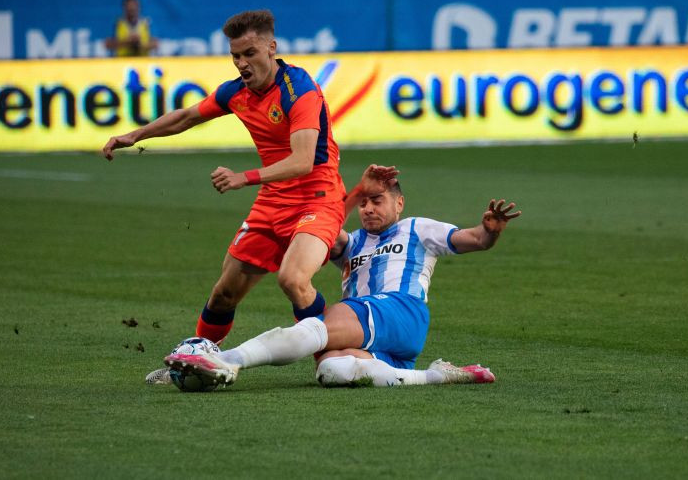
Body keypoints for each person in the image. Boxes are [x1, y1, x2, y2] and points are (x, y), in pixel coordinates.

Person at [152, 166, 520, 389]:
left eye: (377, 201)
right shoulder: (350, 242)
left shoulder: (417, 229)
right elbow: (320, 225)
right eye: (364, 203)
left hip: (401, 310)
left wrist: (490, 230)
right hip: (380, 335)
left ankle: (225, 359)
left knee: (324, 325)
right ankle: (441, 376)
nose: (368, 208)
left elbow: (473, 240)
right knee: (333, 370)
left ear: (399, 204)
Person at [102, 9, 345, 342]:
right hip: (273, 199)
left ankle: (329, 352)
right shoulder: (236, 94)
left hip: (317, 197)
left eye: (249, 53)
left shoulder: (299, 89)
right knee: (223, 293)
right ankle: (197, 357)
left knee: (292, 280)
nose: (242, 63)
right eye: (235, 56)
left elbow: (303, 161)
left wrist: (242, 177)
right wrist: (137, 135)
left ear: (271, 48)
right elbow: (186, 116)